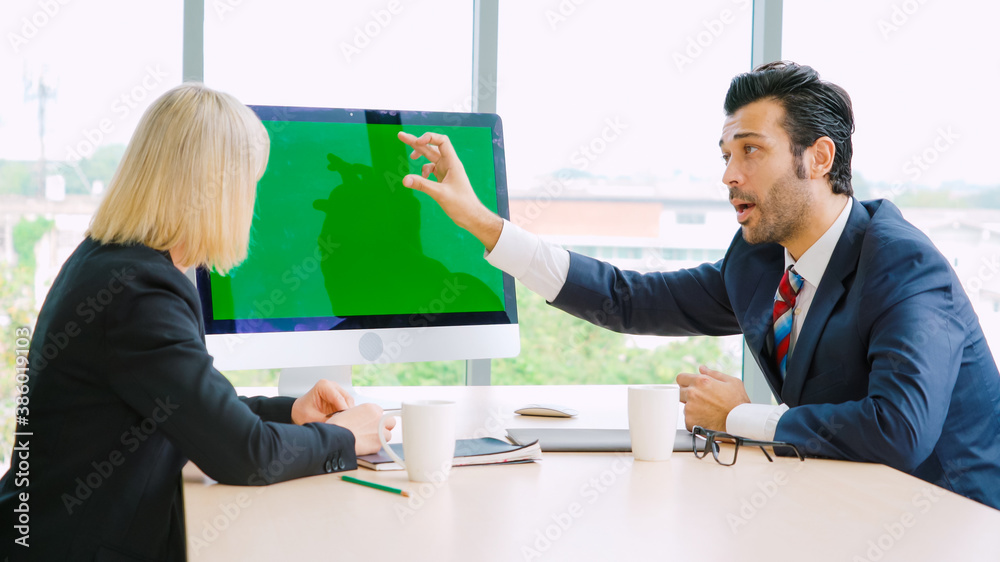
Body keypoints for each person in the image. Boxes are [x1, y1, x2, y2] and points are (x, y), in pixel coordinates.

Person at [396, 61, 1000, 510]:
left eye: (751, 152)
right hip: (837, 501)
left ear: (818, 158)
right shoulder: (760, 260)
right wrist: (483, 223)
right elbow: (627, 299)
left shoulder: (902, 264)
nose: (729, 176)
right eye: (725, 154)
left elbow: (899, 430)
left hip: (946, 520)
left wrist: (744, 415)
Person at [0, 83, 394, 560]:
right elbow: (245, 456)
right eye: (251, 183)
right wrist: (348, 437)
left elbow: (194, 407)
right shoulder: (140, 292)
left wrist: (291, 412)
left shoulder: (109, 263)